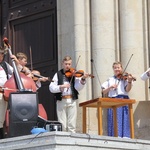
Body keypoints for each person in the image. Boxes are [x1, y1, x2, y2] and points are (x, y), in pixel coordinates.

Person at [49, 56, 88, 133]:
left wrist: (83, 79)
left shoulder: (74, 74)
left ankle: (72, 141)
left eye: (69, 64)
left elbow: (78, 87)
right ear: (62, 63)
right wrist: (61, 87)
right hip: (61, 100)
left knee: (72, 124)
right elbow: (51, 87)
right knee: (62, 124)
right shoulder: (58, 74)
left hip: (71, 99)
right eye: (66, 64)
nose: (68, 66)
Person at [101, 61, 135, 138]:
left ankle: (125, 137)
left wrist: (129, 81)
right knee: (114, 120)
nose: (117, 69)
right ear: (113, 69)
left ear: (121, 68)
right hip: (112, 101)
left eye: (118, 67)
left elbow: (127, 89)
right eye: (115, 68)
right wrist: (110, 87)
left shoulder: (124, 79)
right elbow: (103, 91)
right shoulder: (110, 79)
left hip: (123, 99)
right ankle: (115, 136)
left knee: (124, 119)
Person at [0, 46, 13, 139]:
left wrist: (15, 59)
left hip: (2, 94)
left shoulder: (4, 64)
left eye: (2, 54)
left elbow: (16, 72)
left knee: (1, 119)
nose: (1, 56)